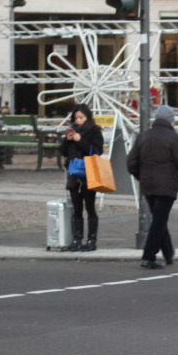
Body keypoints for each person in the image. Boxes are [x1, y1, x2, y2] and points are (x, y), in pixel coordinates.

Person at [127, 105, 178, 269]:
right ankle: (148, 256)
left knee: (159, 219)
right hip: (167, 186)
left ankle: (168, 252)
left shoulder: (143, 136)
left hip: (148, 186)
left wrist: (141, 177)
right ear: (171, 120)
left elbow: (131, 163)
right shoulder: (174, 138)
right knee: (159, 220)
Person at [60, 103, 106, 252]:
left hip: (88, 173)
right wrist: (67, 140)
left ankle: (92, 239)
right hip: (73, 173)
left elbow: (96, 151)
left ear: (87, 117)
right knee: (76, 208)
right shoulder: (72, 131)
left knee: (90, 207)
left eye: (81, 117)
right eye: (76, 118)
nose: (78, 120)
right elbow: (63, 152)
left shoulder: (94, 131)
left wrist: (80, 140)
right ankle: (77, 238)